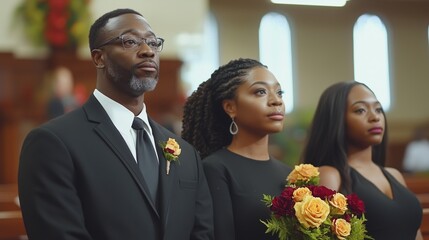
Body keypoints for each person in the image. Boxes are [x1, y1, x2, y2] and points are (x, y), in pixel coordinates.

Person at [18, 8, 213, 240]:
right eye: (130, 41)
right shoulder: (53, 142)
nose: (148, 51)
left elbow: (203, 233)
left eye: (153, 42)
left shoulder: (187, 154)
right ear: (99, 58)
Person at [182, 58, 292, 240]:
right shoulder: (215, 169)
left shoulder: (289, 173)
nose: (276, 101)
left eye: (280, 92)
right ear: (230, 107)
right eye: (260, 92)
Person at [301, 81, 423, 240]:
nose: (375, 117)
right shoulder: (330, 176)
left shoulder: (395, 175)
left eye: (378, 109)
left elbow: (415, 233)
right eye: (360, 110)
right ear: (336, 120)